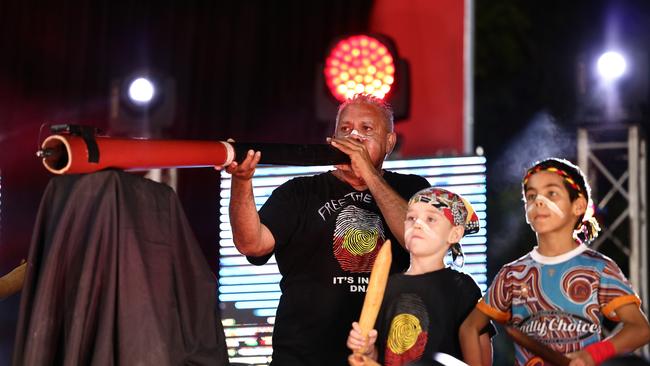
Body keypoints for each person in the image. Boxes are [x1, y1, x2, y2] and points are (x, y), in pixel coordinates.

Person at [223, 94, 430, 365]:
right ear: (332, 139)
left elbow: (416, 239)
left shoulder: (411, 190)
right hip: (303, 357)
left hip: (384, 357)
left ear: (389, 141)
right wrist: (242, 181)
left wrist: (368, 173)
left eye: (367, 129)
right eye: (345, 129)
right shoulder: (299, 192)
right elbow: (251, 244)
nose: (354, 136)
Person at [459, 158, 650, 366]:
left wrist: (591, 355)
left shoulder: (599, 269)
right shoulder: (512, 274)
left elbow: (640, 328)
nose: (539, 201)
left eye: (551, 193)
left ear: (578, 206)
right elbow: (469, 327)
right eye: (531, 196)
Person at [346, 187, 494, 366]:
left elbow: (481, 349)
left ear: (454, 233)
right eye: (411, 218)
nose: (417, 224)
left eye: (430, 219)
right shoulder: (388, 286)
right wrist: (367, 350)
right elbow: (381, 352)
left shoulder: (461, 286)